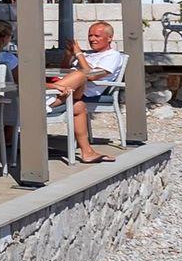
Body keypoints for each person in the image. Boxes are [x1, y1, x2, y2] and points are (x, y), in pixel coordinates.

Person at [46, 20, 124, 164]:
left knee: (80, 80)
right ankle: (87, 152)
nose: (92, 39)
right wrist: (69, 55)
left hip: (81, 92)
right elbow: (64, 70)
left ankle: (87, 153)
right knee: (79, 105)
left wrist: (78, 54)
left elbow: (91, 75)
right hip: (67, 92)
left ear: (109, 38)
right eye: (90, 36)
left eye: (97, 36)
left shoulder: (112, 55)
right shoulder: (88, 55)